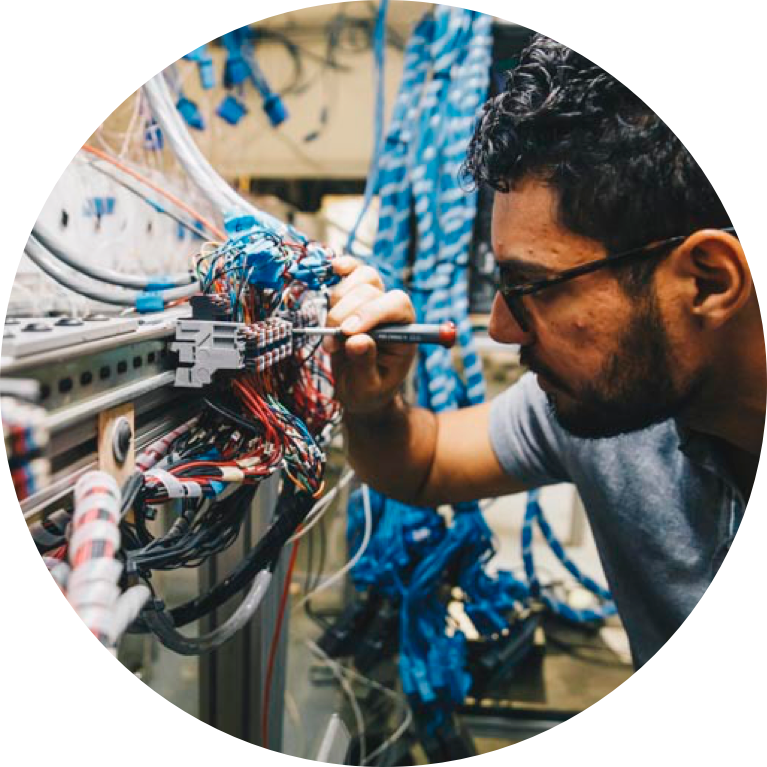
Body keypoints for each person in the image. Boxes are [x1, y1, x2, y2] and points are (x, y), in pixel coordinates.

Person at [323, 34, 766, 669]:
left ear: (708, 281)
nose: (502, 327)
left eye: (531, 287)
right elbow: (422, 464)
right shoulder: (615, 406)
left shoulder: (617, 385)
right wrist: (371, 402)